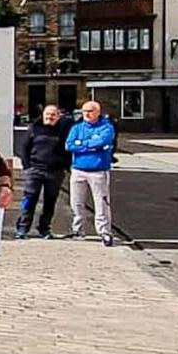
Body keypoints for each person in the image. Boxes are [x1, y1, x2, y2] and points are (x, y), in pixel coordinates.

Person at [17, 104, 72, 239]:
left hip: (55, 172)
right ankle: (22, 228)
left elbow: (69, 150)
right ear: (43, 115)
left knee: (50, 202)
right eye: (47, 114)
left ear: (58, 117)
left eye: (53, 115)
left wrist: (65, 166)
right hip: (35, 170)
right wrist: (27, 167)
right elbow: (23, 148)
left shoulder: (64, 131)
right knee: (29, 199)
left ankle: (44, 228)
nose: (50, 117)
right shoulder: (34, 129)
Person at [65, 101, 115, 246]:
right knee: (76, 202)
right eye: (84, 111)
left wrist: (81, 143)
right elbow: (69, 145)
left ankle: (104, 232)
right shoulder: (77, 127)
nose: (86, 114)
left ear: (98, 112)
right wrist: (91, 145)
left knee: (101, 203)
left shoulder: (106, 127)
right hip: (78, 169)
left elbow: (103, 141)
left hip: (98, 170)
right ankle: (77, 229)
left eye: (90, 111)